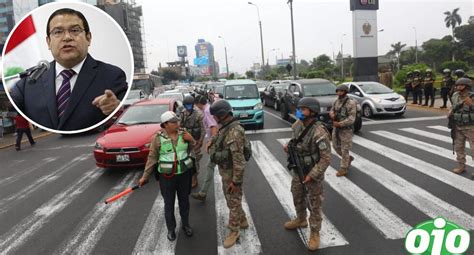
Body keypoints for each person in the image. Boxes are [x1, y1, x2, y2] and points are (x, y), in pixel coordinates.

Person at [10, 8, 128, 131]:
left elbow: (126, 114)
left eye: (75, 30)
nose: (67, 37)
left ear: (88, 38)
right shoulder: (28, 82)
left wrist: (115, 107)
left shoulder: (113, 76)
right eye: (58, 32)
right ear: (48, 42)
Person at [282, 97, 331, 251]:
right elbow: (295, 141)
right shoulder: (297, 125)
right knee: (297, 194)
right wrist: (289, 146)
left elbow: (325, 158)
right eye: (299, 108)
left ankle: (315, 233)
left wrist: (313, 174)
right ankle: (301, 219)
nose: (299, 111)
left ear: (312, 111)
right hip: (298, 169)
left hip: (312, 173)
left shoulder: (319, 131)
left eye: (303, 109)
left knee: (314, 204)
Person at [138, 111, 196, 241]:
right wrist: (145, 176)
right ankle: (171, 229)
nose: (177, 124)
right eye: (174, 122)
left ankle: (186, 225)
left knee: (184, 202)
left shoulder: (184, 134)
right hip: (167, 177)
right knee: (168, 204)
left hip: (184, 175)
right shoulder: (157, 138)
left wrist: (191, 140)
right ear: (165, 124)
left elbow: (194, 146)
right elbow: (152, 158)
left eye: (177, 121)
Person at [208, 100, 247, 249]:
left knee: (233, 201)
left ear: (221, 115)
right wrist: (212, 141)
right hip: (226, 171)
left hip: (232, 173)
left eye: (215, 116)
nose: (214, 119)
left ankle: (234, 231)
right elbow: (219, 136)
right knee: (231, 199)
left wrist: (236, 182)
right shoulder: (226, 127)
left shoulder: (234, 132)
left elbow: (239, 161)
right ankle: (242, 220)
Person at [191, 95, 218, 201]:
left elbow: (213, 126)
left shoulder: (207, 111)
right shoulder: (208, 108)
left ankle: (203, 193)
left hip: (215, 141)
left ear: (198, 103)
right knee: (211, 166)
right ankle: (203, 192)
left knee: (210, 166)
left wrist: (210, 142)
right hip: (216, 140)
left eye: (195, 105)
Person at [329, 84, 356, 177]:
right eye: (338, 91)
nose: (339, 93)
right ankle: (348, 159)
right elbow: (332, 110)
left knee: (345, 150)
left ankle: (343, 168)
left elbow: (352, 118)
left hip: (346, 130)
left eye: (341, 91)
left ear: (345, 92)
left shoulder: (351, 103)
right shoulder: (336, 101)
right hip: (336, 128)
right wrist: (331, 114)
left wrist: (340, 123)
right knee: (335, 146)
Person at [448, 78, 474, 174]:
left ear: (467, 86)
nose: (459, 87)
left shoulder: (472, 96)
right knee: (459, 147)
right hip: (458, 126)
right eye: (457, 85)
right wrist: (450, 112)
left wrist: (472, 105)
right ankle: (461, 166)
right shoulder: (455, 95)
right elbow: (453, 106)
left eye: (461, 85)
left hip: (471, 127)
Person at [180, 95, 205, 188]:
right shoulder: (183, 113)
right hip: (186, 140)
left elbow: (203, 129)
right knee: (186, 160)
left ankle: (195, 179)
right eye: (186, 105)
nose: (188, 107)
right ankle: (189, 177)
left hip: (196, 140)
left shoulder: (198, 113)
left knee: (195, 160)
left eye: (189, 105)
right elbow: (180, 126)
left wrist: (201, 141)